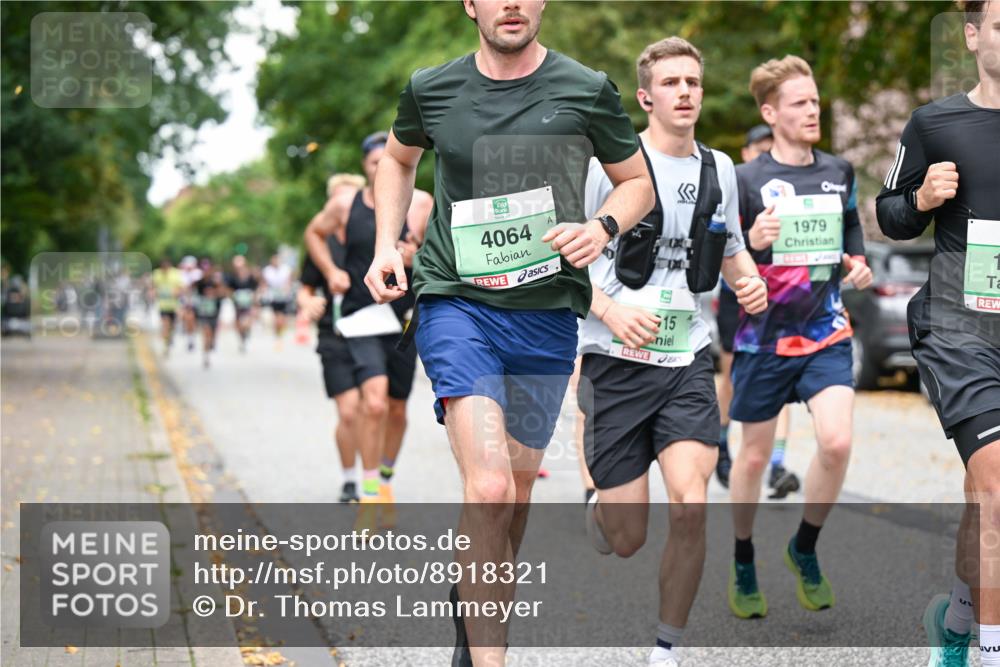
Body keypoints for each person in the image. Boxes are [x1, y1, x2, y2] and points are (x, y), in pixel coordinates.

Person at [364, 1, 655, 663]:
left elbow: (635, 182)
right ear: (471, 5)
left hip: (546, 312)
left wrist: (600, 227)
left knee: (514, 494)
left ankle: (474, 610)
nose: (513, 4)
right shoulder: (431, 89)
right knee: (490, 486)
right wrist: (387, 244)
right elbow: (397, 161)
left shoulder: (586, 89)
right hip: (456, 302)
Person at [579, 37, 768, 667]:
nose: (685, 92)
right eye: (671, 83)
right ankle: (599, 507)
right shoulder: (608, 167)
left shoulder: (720, 169)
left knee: (691, 504)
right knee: (627, 538)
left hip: (686, 357)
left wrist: (747, 278)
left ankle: (667, 650)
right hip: (616, 361)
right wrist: (609, 310)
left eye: (693, 81)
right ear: (645, 96)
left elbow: (730, 243)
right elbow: (564, 261)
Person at [727, 55, 873, 620]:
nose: (813, 111)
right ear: (770, 112)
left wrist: (858, 264)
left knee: (835, 442)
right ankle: (743, 558)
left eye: (815, 102)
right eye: (799, 103)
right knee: (754, 459)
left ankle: (803, 547)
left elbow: (852, 230)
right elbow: (720, 253)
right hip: (763, 339)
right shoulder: (745, 180)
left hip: (825, 331)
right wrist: (754, 239)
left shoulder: (839, 170)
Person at [876, 2, 1000, 664]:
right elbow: (889, 212)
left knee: (987, 497)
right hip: (959, 327)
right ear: (975, 36)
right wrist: (921, 199)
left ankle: (957, 615)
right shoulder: (937, 121)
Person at [306, 133, 432, 531]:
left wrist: (420, 257)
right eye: (375, 162)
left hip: (405, 317)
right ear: (365, 167)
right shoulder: (346, 204)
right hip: (362, 314)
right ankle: (369, 493)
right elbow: (313, 233)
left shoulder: (423, 203)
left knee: (396, 407)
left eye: (388, 160)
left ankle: (385, 479)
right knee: (373, 403)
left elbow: (447, 254)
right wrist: (331, 271)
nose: (381, 167)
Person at [715, 124, 801, 499]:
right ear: (747, 152)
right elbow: (723, 243)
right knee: (733, 375)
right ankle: (720, 441)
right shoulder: (732, 183)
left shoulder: (789, 189)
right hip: (737, 294)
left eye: (772, 149)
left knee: (780, 373)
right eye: (760, 149)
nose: (767, 156)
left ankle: (777, 464)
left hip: (781, 295)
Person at [299, 173, 368, 504]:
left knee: (374, 408)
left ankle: (374, 479)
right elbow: (305, 288)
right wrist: (308, 303)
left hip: (373, 331)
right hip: (334, 334)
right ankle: (349, 479)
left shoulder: (372, 234)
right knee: (349, 411)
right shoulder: (321, 243)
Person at [192, 259, 225, 369]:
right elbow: (190, 292)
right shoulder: (198, 283)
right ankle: (206, 357)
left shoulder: (216, 282)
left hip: (214, 313)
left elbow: (223, 293)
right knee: (206, 334)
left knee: (212, 335)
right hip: (203, 313)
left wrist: (215, 293)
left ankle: (211, 344)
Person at [226, 255, 259, 354]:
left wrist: (254, 299)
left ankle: (247, 332)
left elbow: (256, 288)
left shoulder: (251, 276)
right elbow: (228, 290)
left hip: (248, 304)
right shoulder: (232, 277)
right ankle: (242, 338)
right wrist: (232, 296)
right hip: (237, 304)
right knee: (238, 324)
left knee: (247, 322)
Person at [151, 257, 184, 355]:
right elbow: (152, 287)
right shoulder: (156, 274)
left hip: (173, 305)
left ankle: (170, 338)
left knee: (172, 326)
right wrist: (153, 293)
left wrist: (176, 292)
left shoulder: (176, 273)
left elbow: (180, 288)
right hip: (162, 305)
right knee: (165, 324)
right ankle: (166, 346)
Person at [262, 254, 293, 345]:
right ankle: (277, 334)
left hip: (284, 297)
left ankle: (280, 333)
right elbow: (264, 283)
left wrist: (287, 288)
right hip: (273, 297)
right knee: (276, 318)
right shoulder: (267, 271)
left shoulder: (286, 270)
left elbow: (289, 281)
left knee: (282, 318)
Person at [178, 255, 202, 352]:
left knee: (192, 320)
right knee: (185, 317)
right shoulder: (180, 274)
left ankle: (191, 338)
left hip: (195, 301)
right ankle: (188, 336)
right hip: (183, 300)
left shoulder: (198, 274)